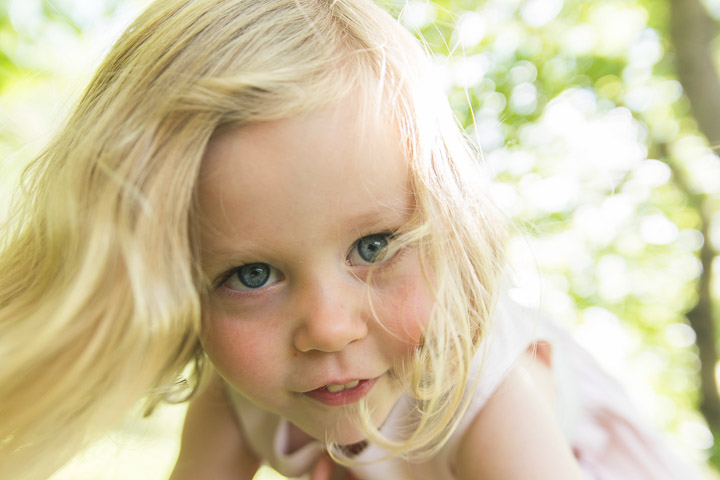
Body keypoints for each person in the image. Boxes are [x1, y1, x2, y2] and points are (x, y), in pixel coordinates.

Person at [0, 0, 702, 479]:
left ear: (451, 229)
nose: (328, 329)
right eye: (250, 274)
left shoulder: (490, 394)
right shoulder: (236, 393)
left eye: (373, 248)